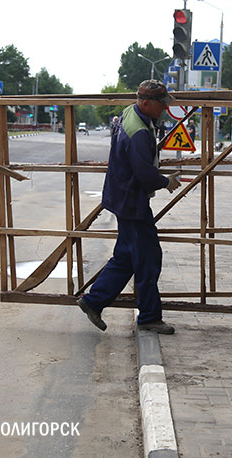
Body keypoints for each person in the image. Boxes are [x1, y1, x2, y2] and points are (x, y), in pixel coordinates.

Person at [77, 80, 182, 335]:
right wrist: (166, 181)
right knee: (148, 259)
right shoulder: (139, 133)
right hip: (132, 201)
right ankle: (148, 316)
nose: (165, 110)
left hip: (122, 196)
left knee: (125, 258)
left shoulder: (131, 113)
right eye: (161, 105)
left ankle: (93, 301)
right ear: (145, 103)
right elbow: (145, 174)